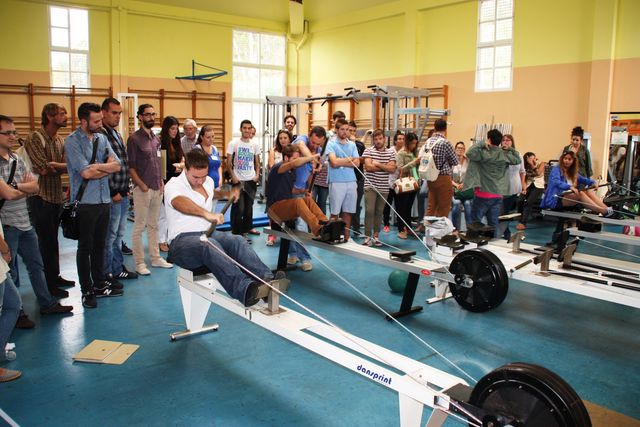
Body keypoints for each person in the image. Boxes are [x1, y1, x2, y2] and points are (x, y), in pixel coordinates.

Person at [165, 149, 282, 306]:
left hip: (208, 233)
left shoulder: (208, 182)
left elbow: (210, 193)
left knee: (237, 240)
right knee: (209, 245)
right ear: (186, 169)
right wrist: (206, 214)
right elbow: (179, 202)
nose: (200, 181)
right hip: (181, 242)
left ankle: (267, 280)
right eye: (195, 177)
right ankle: (245, 289)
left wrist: (226, 195)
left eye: (203, 176)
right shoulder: (174, 185)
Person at [0, 115, 73, 323]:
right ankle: (16, 312)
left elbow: (35, 187)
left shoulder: (17, 159)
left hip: (25, 222)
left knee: (36, 264)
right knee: (10, 270)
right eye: (8, 133)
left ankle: (47, 303)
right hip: (6, 225)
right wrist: (19, 189)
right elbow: (9, 195)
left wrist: (15, 188)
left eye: (15, 132)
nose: (13, 136)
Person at [64, 103, 123, 308]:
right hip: (85, 204)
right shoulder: (72, 142)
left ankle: (99, 284)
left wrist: (98, 167)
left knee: (100, 245)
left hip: (104, 201)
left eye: (100, 120)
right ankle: (86, 290)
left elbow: (117, 164)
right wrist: (104, 168)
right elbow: (85, 173)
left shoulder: (102, 138)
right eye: (96, 121)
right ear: (83, 121)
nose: (100, 124)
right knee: (85, 248)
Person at [24, 103, 75, 298]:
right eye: (61, 113)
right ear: (49, 115)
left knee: (53, 241)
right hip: (40, 197)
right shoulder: (35, 138)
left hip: (55, 197)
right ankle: (48, 285)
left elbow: (67, 166)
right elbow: (42, 168)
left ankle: (55, 277)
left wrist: (59, 166)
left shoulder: (59, 140)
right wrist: (59, 166)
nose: (65, 116)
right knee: (45, 243)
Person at [127, 104, 173, 275]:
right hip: (142, 189)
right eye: (147, 115)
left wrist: (161, 181)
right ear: (140, 117)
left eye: (153, 115)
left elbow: (159, 162)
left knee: (153, 225)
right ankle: (139, 263)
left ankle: (155, 258)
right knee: (139, 227)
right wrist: (141, 185)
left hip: (157, 187)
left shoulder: (155, 139)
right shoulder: (134, 139)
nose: (151, 118)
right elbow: (131, 167)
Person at [101, 98, 138, 286]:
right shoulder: (101, 135)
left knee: (118, 235)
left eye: (120, 113)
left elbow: (122, 163)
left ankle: (117, 269)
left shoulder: (115, 134)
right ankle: (108, 273)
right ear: (103, 112)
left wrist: (126, 190)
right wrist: (113, 190)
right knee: (110, 237)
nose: (117, 116)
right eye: (114, 113)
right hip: (112, 195)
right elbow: (102, 165)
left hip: (122, 193)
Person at [464, 129, 521, 238]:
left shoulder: (484, 153)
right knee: (493, 223)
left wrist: (481, 143)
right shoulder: (504, 154)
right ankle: (492, 246)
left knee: (475, 222)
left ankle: (473, 243)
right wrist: (511, 149)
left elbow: (469, 153)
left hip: (483, 194)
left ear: (489, 139)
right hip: (498, 195)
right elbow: (517, 160)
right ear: (500, 141)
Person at [266, 144, 328, 237]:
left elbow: (292, 190)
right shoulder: (278, 168)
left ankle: (326, 225)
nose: (297, 161)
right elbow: (292, 163)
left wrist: (303, 191)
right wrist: (312, 157)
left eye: (298, 158)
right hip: (274, 209)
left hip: (285, 205)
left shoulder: (292, 171)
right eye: (294, 158)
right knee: (298, 202)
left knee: (308, 200)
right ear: (286, 158)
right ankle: (318, 229)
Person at [541, 150, 613, 216]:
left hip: (567, 197)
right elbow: (556, 182)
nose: (566, 161)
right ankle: (603, 211)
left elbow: (584, 179)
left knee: (588, 191)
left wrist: (593, 182)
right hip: (555, 199)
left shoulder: (573, 172)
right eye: (565, 158)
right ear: (562, 159)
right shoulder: (556, 169)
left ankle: (607, 209)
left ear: (573, 161)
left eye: (569, 159)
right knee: (580, 193)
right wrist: (569, 187)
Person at [226, 120, 261, 241]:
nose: (247, 130)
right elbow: (228, 162)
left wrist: (257, 175)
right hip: (238, 180)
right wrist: (233, 176)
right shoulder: (233, 143)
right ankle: (237, 233)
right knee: (239, 208)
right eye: (244, 128)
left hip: (250, 180)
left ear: (251, 130)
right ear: (240, 129)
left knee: (248, 208)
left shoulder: (254, 145)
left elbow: (257, 162)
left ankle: (245, 231)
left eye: (249, 128)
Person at [326, 118, 359, 242]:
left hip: (351, 181)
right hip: (336, 181)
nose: (345, 132)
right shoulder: (331, 144)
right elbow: (333, 163)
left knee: (348, 211)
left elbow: (357, 163)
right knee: (335, 212)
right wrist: (349, 160)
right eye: (342, 129)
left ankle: (346, 237)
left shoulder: (352, 144)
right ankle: (331, 235)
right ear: (336, 130)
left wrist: (342, 161)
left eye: (347, 129)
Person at [362, 129, 396, 246]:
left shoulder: (391, 152)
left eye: (380, 139)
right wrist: (385, 167)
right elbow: (368, 167)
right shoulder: (368, 151)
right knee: (369, 210)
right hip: (370, 186)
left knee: (379, 212)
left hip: (383, 187)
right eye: (375, 139)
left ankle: (376, 236)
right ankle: (367, 236)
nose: (378, 141)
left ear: (384, 139)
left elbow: (392, 169)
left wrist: (377, 164)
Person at [157, 116, 185, 253]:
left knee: (174, 213)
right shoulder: (162, 144)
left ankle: (170, 239)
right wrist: (178, 166)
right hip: (165, 182)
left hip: (176, 182)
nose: (175, 131)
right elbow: (166, 167)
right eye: (172, 129)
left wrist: (179, 166)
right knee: (163, 214)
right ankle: (161, 240)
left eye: (176, 129)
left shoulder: (177, 143)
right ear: (166, 129)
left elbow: (182, 163)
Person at [424, 120, 458, 219]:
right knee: (444, 207)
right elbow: (455, 161)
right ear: (445, 129)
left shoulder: (428, 142)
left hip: (430, 177)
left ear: (434, 127)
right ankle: (439, 232)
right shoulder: (445, 143)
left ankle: (428, 230)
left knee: (431, 206)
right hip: (443, 177)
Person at [266, 129, 293, 247]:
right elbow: (271, 166)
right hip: (276, 183)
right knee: (274, 211)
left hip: (288, 183)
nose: (283, 140)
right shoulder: (274, 151)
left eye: (285, 138)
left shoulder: (293, 151)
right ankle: (272, 235)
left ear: (289, 139)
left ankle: (287, 236)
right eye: (280, 138)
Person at [394, 132, 420, 239]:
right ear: (407, 142)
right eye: (412, 143)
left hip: (414, 182)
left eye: (415, 143)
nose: (414, 145)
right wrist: (414, 162)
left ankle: (408, 228)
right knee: (402, 208)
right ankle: (401, 229)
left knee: (409, 207)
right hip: (404, 183)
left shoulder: (415, 152)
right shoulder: (401, 153)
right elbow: (400, 168)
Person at [500, 134, 526, 239]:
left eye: (508, 140)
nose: (506, 142)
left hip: (515, 186)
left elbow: (522, 171)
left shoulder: (518, 154)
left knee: (506, 211)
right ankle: (506, 233)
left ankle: (505, 232)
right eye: (504, 140)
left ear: (512, 142)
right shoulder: (499, 154)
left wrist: (523, 185)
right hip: (502, 187)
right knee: (502, 211)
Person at [517, 152, 545, 230]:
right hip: (528, 185)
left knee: (528, 202)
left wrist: (533, 165)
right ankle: (520, 219)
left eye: (533, 158)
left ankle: (523, 223)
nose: (532, 160)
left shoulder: (541, 164)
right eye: (530, 159)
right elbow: (524, 180)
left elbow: (538, 173)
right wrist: (524, 189)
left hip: (539, 186)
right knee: (520, 200)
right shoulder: (525, 166)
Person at [383, 131, 404, 232]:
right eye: (399, 139)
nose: (401, 140)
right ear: (395, 140)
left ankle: (401, 227)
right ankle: (386, 224)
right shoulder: (390, 151)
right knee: (387, 204)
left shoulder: (404, 151)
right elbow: (387, 165)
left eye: (403, 139)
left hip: (400, 182)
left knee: (400, 206)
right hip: (389, 181)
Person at [347, 120, 366, 233]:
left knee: (357, 203)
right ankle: (345, 226)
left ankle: (356, 227)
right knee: (346, 203)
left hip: (359, 178)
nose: (352, 132)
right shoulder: (343, 144)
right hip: (347, 178)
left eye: (354, 131)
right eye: (350, 130)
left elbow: (363, 160)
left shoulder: (360, 145)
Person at [450, 141, 473, 232]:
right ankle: (455, 229)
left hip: (466, 189)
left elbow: (472, 176)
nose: (460, 150)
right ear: (455, 150)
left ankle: (470, 229)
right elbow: (447, 177)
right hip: (453, 189)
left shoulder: (468, 161)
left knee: (467, 204)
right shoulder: (450, 161)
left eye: (462, 148)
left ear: (464, 150)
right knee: (456, 203)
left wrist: (464, 184)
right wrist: (456, 185)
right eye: (458, 148)